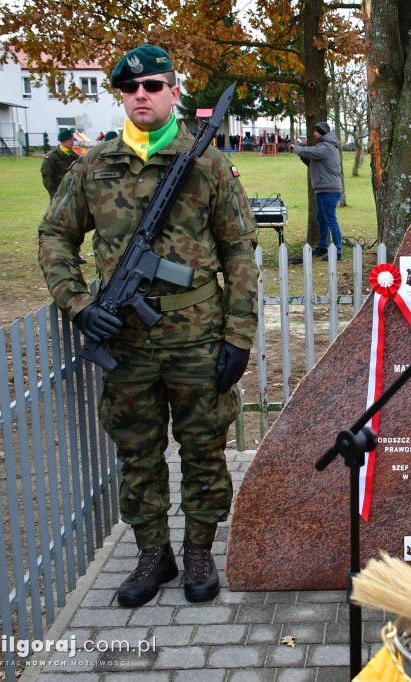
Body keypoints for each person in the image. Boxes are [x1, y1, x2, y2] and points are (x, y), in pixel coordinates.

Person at [37, 44, 260, 608]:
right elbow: (55, 236)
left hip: (197, 339)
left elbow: (239, 252)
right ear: (122, 95)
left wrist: (239, 337)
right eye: (132, 88)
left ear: (172, 92)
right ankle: (152, 554)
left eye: (154, 86)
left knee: (204, 451)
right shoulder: (94, 165)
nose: (142, 95)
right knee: (138, 453)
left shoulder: (207, 162)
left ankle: (200, 552)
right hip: (126, 346)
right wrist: (78, 303)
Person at [288, 122, 342, 263]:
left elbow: (313, 152)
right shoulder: (323, 147)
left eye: (315, 131)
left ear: (321, 132)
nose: (313, 134)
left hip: (329, 189)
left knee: (330, 220)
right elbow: (312, 160)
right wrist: (301, 154)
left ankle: (338, 251)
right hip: (322, 188)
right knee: (322, 219)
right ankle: (323, 246)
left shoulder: (327, 147)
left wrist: (298, 148)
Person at [40, 128, 78, 199]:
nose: (72, 141)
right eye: (69, 139)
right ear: (62, 140)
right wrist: (55, 195)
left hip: (73, 195)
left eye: (73, 139)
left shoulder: (76, 157)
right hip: (58, 194)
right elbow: (47, 178)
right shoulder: (52, 156)